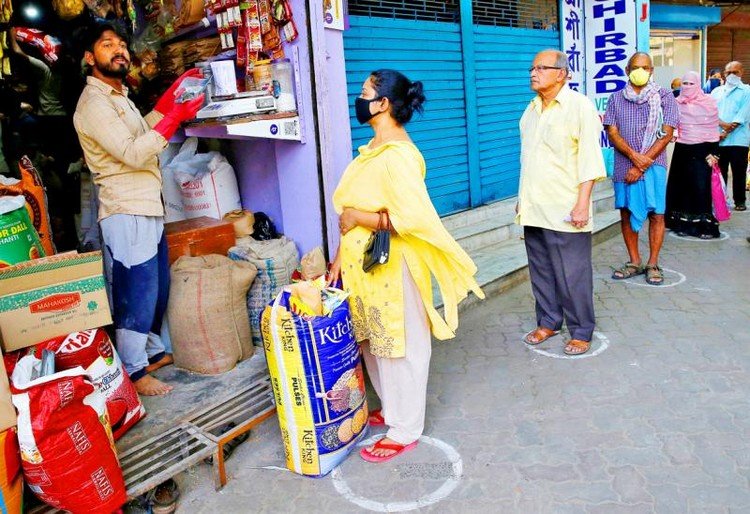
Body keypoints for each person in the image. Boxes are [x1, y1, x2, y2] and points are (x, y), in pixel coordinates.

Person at [331, 69, 483, 463]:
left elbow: (413, 220)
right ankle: (395, 410)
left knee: (402, 345)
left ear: (382, 104)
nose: (359, 98)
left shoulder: (399, 156)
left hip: (392, 265)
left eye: (365, 92)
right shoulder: (374, 150)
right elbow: (351, 213)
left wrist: (357, 218)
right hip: (364, 266)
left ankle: (406, 428)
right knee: (373, 341)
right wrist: (338, 258)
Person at [73, 23, 204, 396]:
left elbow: (141, 131)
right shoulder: (94, 104)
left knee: (157, 287)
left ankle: (150, 354)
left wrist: (167, 104)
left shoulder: (119, 95)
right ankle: (133, 372)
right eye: (106, 45)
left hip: (147, 204)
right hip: (125, 207)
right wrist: (174, 117)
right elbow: (131, 152)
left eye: (120, 44)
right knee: (136, 290)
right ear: (89, 57)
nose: (118, 50)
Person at [516, 49, 606, 356]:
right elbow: (526, 160)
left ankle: (581, 330)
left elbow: (590, 160)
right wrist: (521, 199)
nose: (533, 72)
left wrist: (583, 203)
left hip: (566, 209)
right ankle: (549, 321)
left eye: (542, 67)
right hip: (534, 208)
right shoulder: (530, 111)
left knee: (573, 274)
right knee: (541, 271)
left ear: (562, 74)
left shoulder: (579, 107)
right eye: (532, 66)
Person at [604, 52, 679, 286]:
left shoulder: (665, 96)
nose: (641, 71)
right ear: (627, 70)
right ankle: (634, 261)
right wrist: (635, 157)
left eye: (645, 67)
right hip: (625, 164)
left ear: (652, 71)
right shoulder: (616, 98)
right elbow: (612, 131)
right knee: (626, 212)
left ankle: (653, 263)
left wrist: (644, 161)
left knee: (657, 214)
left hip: (654, 164)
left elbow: (667, 133)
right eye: (636, 67)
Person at [665, 71, 721, 239]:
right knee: (681, 188)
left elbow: (713, 129)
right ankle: (680, 224)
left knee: (700, 189)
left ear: (698, 84)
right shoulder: (676, 103)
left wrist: (715, 153)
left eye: (691, 84)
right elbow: (672, 125)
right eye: (685, 83)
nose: (687, 87)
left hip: (703, 152)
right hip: (682, 150)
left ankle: (703, 227)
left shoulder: (709, 103)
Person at [711, 60, 750, 211]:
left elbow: (743, 115)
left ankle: (739, 201)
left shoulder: (747, 91)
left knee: (739, 171)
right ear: (724, 74)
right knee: (719, 172)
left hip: (738, 140)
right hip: (718, 139)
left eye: (735, 72)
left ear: (742, 73)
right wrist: (721, 127)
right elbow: (711, 112)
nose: (731, 75)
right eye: (728, 72)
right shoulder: (716, 92)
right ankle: (720, 201)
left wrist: (726, 131)